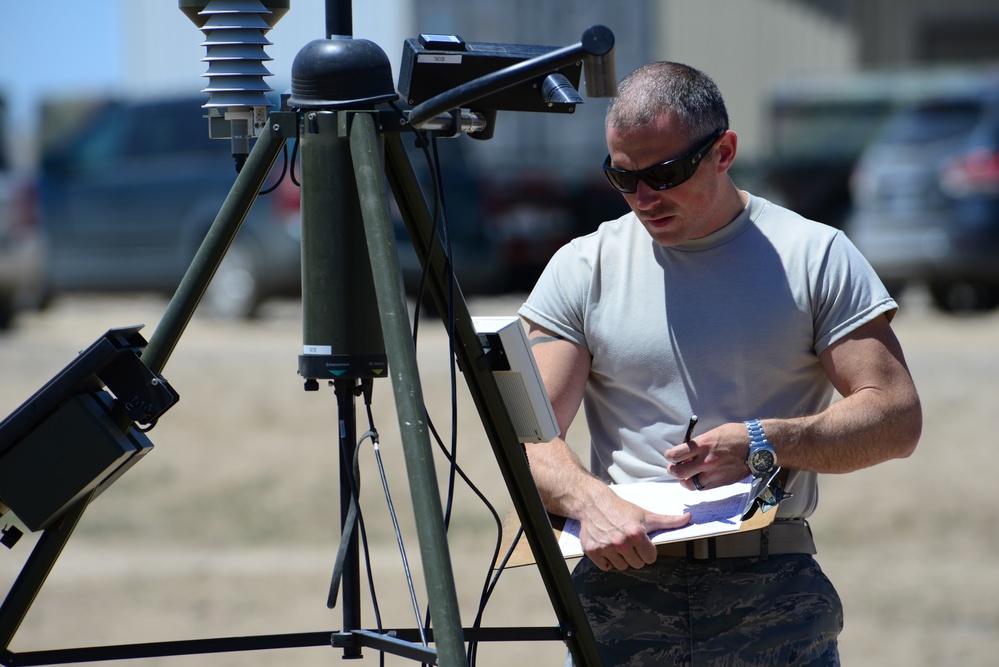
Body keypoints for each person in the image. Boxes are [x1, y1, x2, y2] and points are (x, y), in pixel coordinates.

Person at [517, 61, 922, 666]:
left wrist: (766, 441)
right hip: (621, 590)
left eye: (665, 174)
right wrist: (586, 500)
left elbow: (895, 416)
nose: (643, 198)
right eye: (622, 178)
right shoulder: (582, 266)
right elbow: (527, 432)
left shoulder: (814, 255)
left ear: (724, 151)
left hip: (770, 589)